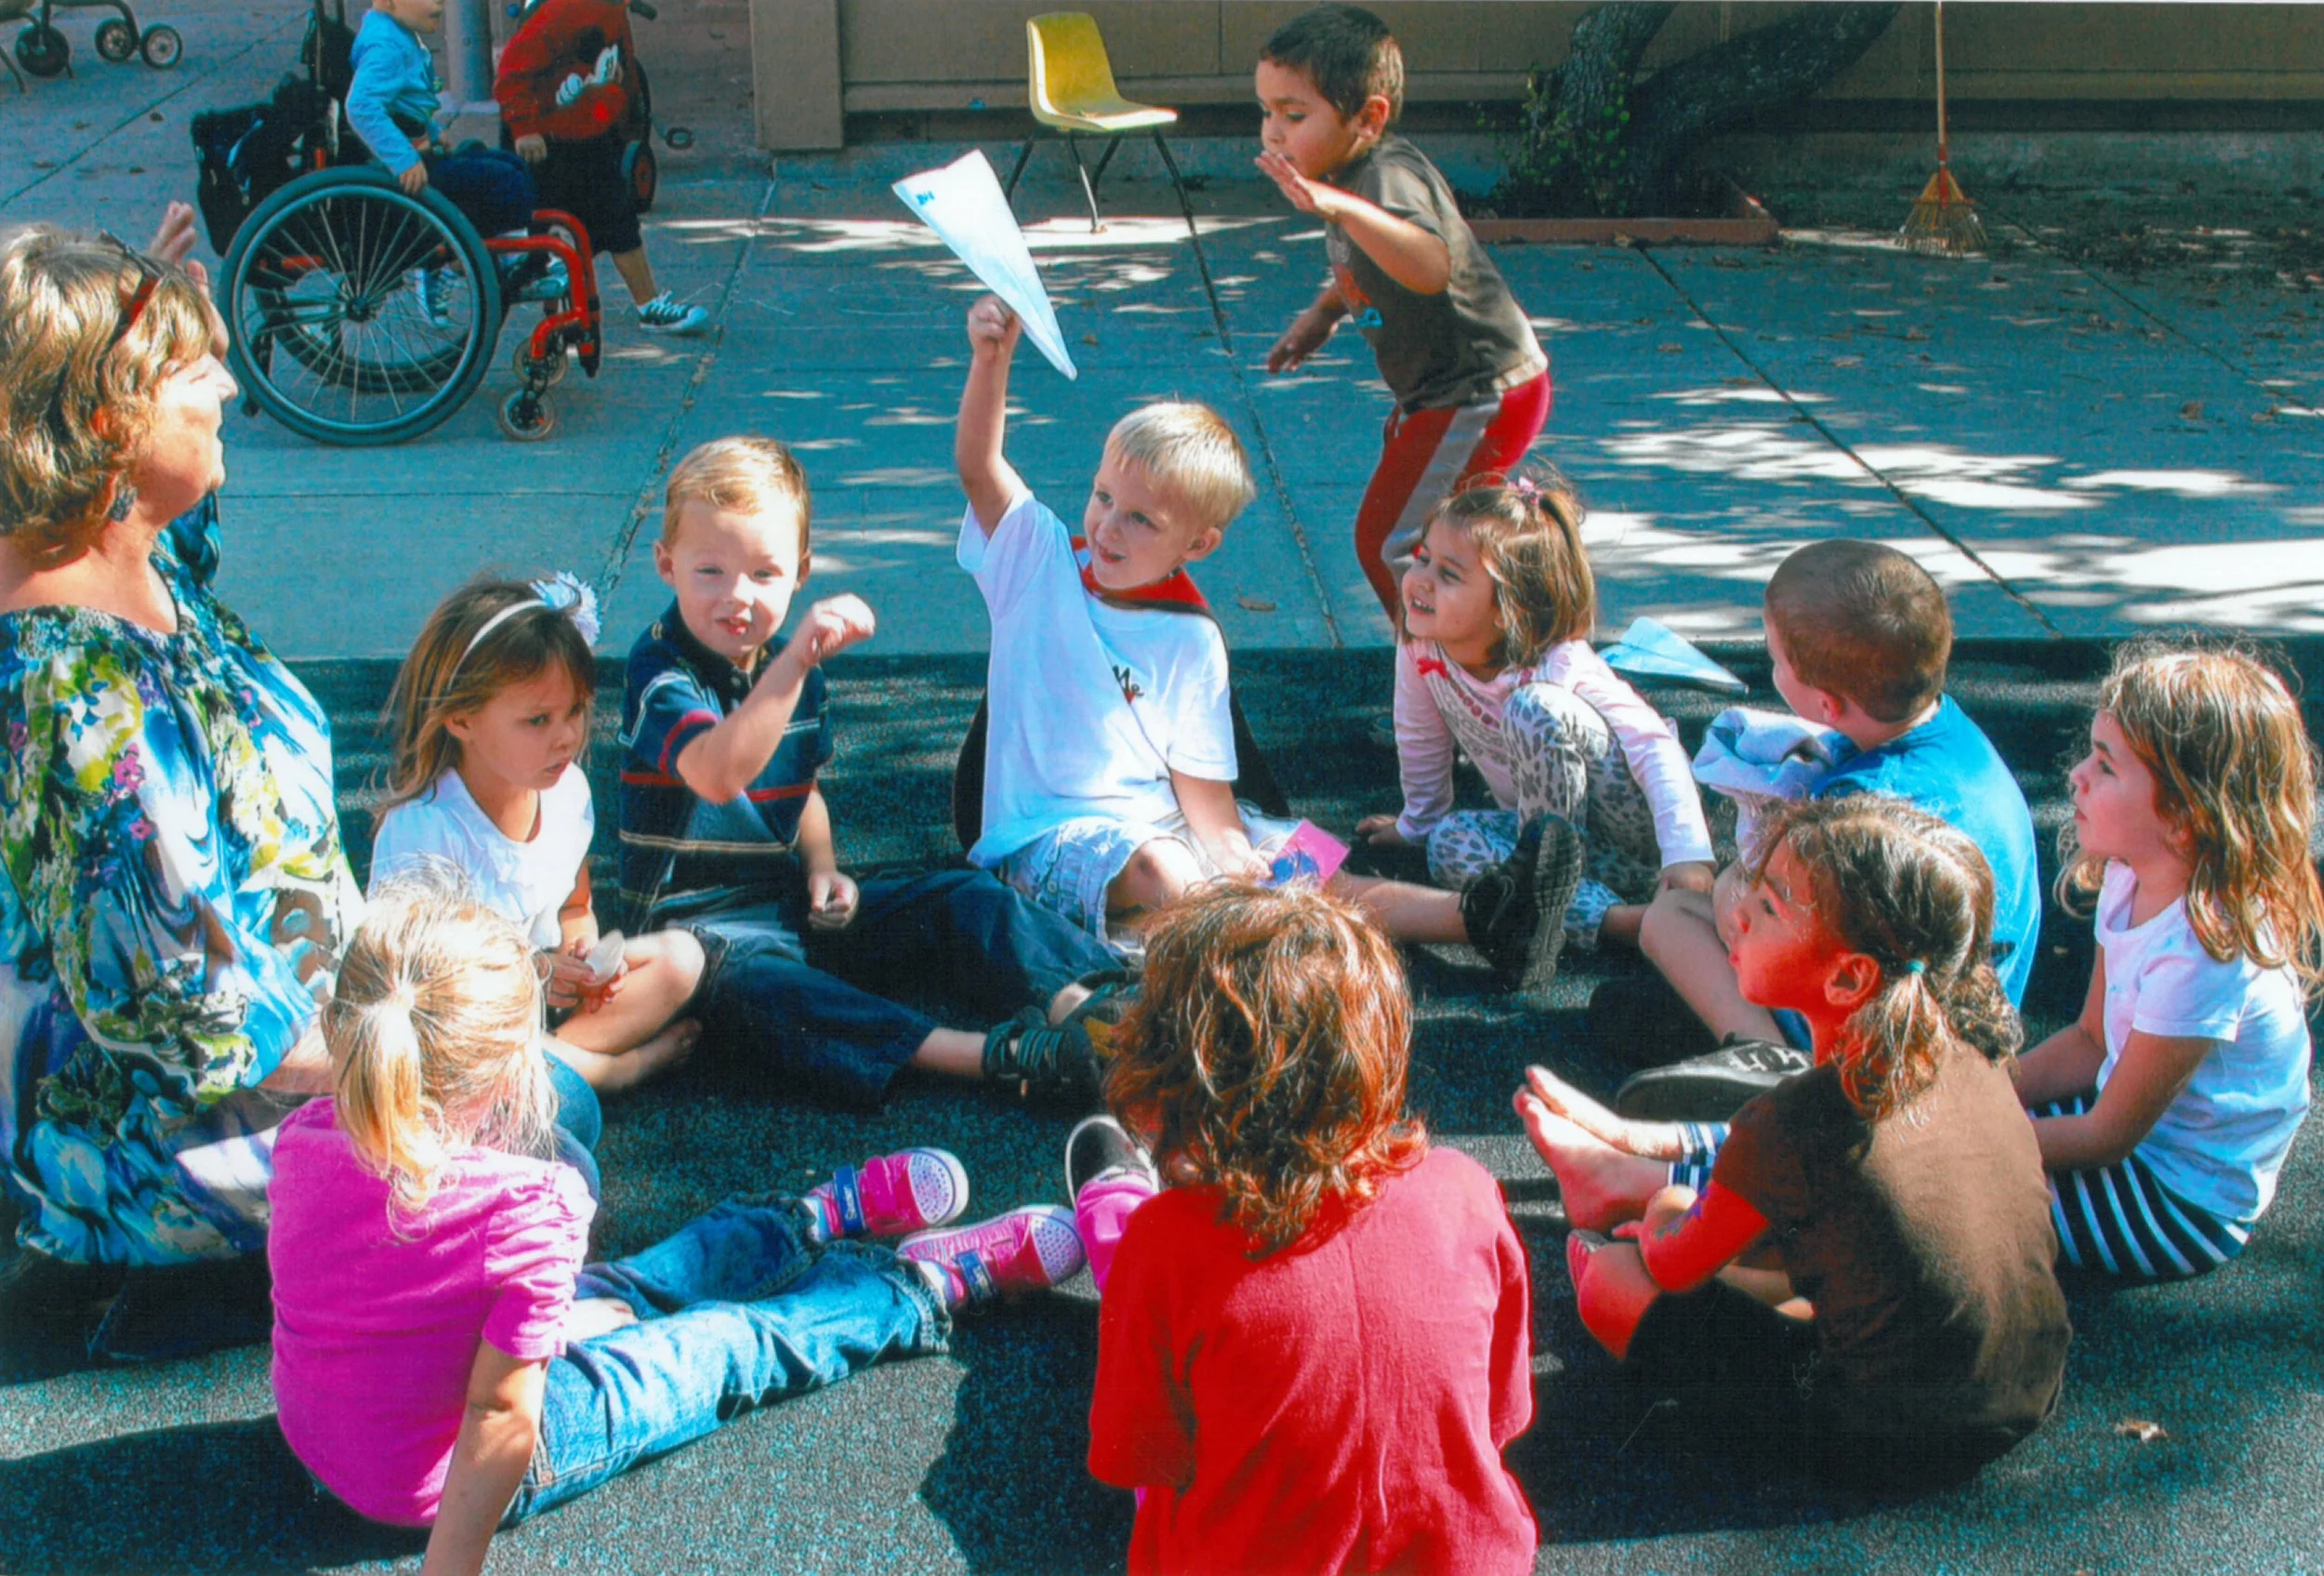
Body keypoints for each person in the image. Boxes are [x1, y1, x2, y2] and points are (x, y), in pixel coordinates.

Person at [268, 874, 1083, 1576]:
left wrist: (551, 1330)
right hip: (438, 1471)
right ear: (515, 1067)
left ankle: (807, 1221)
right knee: (722, 1347)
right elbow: (499, 1417)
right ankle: (915, 1287)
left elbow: (384, 1297)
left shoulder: (305, 1139)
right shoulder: (528, 1206)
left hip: (332, 1436)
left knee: (618, 1292)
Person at [957, 295, 1575, 990]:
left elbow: (1205, 792)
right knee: (1164, 871)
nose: (1107, 527)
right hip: (1048, 838)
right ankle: (1259, 948)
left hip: (1165, 823)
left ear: (1198, 544)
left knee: (1308, 863)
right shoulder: (1036, 561)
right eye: (1103, 498)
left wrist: (1236, 856)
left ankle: (1484, 918)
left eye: (1140, 519)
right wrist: (992, 359)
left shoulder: (1191, 638)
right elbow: (980, 468)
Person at [0, 209, 363, 1357]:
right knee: (552, 1139)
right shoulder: (87, 706)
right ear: (108, 425)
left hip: (278, 1064)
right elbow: (195, 1021)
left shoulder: (113, 553)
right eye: (196, 371)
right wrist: (424, 1064)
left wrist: (155, 302)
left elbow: (176, 523)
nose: (230, 392)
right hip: (165, 1146)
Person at [1517, 796, 2072, 1490]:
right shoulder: (1974, 1048)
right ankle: (1637, 1185)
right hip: (2027, 1391)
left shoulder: (1789, 1123)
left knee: (1616, 1282)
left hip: (1876, 1434)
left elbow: (1673, 1263)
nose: (1740, 910)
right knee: (1804, 1236)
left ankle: (1628, 1196)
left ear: (1847, 977)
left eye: (1771, 906)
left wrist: (1665, 1210)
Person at [617, 435, 1123, 1107]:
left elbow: (802, 793)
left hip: (784, 908)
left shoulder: (789, 665)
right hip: (693, 943)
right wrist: (794, 662)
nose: (736, 597)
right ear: (666, 564)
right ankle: (998, 1057)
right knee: (787, 996)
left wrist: (824, 867)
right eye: (709, 571)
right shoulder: (659, 670)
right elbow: (717, 773)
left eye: (763, 574)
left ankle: (1091, 1003)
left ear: (799, 573)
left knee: (959, 896)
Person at [1086, 883, 1537, 1575]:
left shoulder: (1168, 1240)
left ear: (1179, 1074)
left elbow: (1141, 1455)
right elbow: (1497, 1416)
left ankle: (1104, 1204)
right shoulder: (1467, 1191)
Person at [1617, 538, 2042, 1091]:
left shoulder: (1851, 817)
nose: (1769, 665)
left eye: (1774, 659)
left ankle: (1773, 1068)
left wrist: (1730, 884)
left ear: (1827, 705)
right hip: (1975, 1027)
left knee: (1671, 916)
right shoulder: (1959, 736)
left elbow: (1758, 919)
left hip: (1877, 1041)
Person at [2014, 642, 2321, 1279]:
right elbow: (2090, 1041)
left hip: (2179, 1199)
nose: (2075, 775)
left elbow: (2107, 1136)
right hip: (2122, 1131)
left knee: (1946, 1203)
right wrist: (1986, 1093)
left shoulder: (2204, 952)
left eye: (2105, 765)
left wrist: (1968, 1140)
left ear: (2184, 814)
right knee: (1925, 1138)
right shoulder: (2128, 877)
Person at [1255, 4, 1550, 626]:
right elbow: (1367, 265)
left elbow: (1428, 263)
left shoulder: (1381, 177)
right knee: (1446, 535)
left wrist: (1340, 205)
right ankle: (1491, 644)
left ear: (1369, 117)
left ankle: (1444, 668)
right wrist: (1323, 313)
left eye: (1294, 114)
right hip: (1446, 392)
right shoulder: (1349, 176)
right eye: (1267, 112)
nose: (1273, 132)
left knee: (1391, 541)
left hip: (1480, 389)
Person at [1347, 470, 1714, 959]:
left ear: (1507, 608)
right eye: (1424, 558)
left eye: (1449, 574)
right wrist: (1417, 824)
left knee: (1533, 707)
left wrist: (1686, 854)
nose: (1421, 580)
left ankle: (1568, 893)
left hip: (1632, 843)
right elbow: (1419, 737)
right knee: (1447, 842)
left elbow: (1654, 746)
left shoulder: (1560, 663)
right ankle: (1618, 922)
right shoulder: (1421, 645)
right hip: (1546, 846)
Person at [370, 572, 704, 1091]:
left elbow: (575, 906)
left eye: (573, 711)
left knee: (682, 959)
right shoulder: (425, 829)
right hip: (465, 1028)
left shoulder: (567, 792)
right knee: (479, 1056)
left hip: (542, 1015)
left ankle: (560, 1067)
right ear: (461, 719)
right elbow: (416, 990)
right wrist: (536, 974)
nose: (566, 736)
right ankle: (617, 1071)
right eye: (537, 720)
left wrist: (586, 959)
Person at [494, 0, 711, 336]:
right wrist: (524, 128)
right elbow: (512, 70)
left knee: (617, 219)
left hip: (588, 132)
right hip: (547, 140)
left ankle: (647, 302)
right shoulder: (564, 10)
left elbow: (618, 63)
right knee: (543, 227)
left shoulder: (610, 9)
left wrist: (618, 105)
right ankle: (470, 282)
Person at [345, 0, 538, 271]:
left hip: (424, 154)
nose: (439, 5)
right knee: (507, 179)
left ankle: (496, 253)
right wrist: (404, 160)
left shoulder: (395, 33)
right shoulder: (385, 48)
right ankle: (511, 262)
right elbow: (361, 107)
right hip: (412, 169)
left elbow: (406, 102)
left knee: (511, 164)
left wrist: (434, 131)